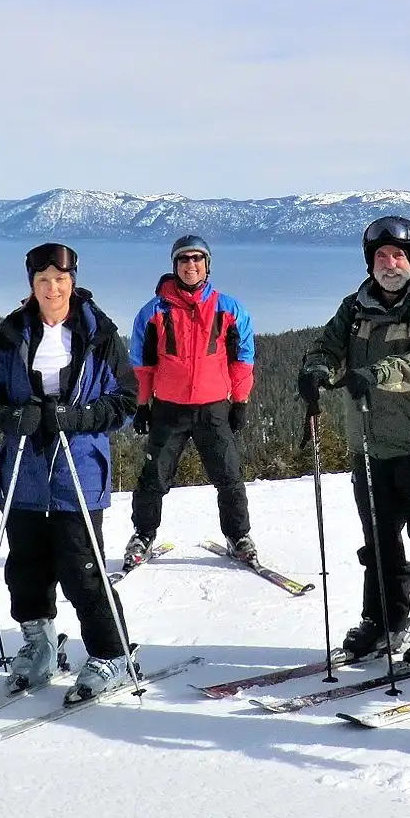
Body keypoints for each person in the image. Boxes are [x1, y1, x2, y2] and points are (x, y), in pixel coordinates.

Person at [297, 216, 410, 669]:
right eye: (381, 257)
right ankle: (385, 619)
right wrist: (317, 371)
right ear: (370, 263)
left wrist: (377, 374)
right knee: (379, 543)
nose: (390, 264)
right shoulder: (354, 307)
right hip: (370, 446)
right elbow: (328, 347)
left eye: (398, 256)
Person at [0, 242, 140, 699]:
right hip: (25, 467)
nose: (52, 288)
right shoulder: (12, 333)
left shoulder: (98, 333)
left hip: (78, 467)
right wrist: (11, 417)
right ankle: (39, 645)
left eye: (60, 279)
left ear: (72, 282)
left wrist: (80, 416)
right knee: (25, 568)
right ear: (32, 284)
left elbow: (126, 401)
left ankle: (110, 652)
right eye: (43, 280)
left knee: (81, 567)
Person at [123, 235, 258, 570]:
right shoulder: (154, 312)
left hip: (214, 408)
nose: (191, 265)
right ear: (175, 266)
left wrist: (239, 401)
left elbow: (242, 359)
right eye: (184, 260)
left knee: (229, 476)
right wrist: (142, 405)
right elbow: (142, 364)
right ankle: (143, 534)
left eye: (198, 259)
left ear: (207, 265)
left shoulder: (228, 308)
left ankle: (239, 536)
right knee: (154, 476)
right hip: (169, 408)